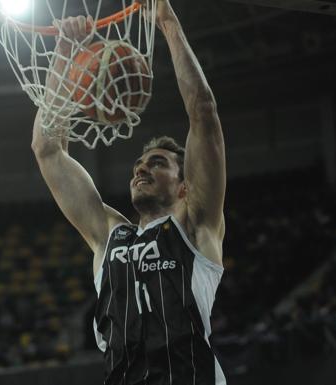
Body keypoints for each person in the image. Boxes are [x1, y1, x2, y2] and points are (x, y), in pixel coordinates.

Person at [31, 0, 226, 383]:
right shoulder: (109, 235)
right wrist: (67, 54)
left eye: (157, 163)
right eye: (140, 163)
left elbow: (203, 111)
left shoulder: (196, 227)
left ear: (185, 187)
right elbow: (47, 148)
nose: (142, 167)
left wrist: (167, 23)